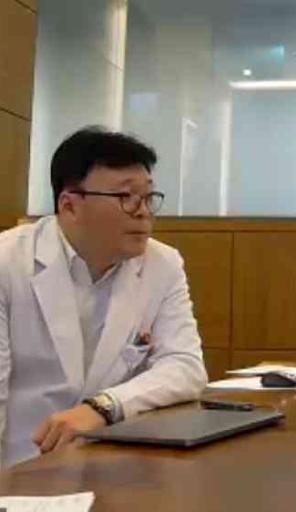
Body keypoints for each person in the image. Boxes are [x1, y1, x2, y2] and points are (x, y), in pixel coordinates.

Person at [0, 127, 208, 467]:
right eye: (126, 197)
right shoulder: (8, 263)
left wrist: (103, 407)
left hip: (114, 469)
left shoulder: (163, 264)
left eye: (148, 197)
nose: (143, 212)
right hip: (20, 472)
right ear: (69, 205)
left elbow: (184, 366)